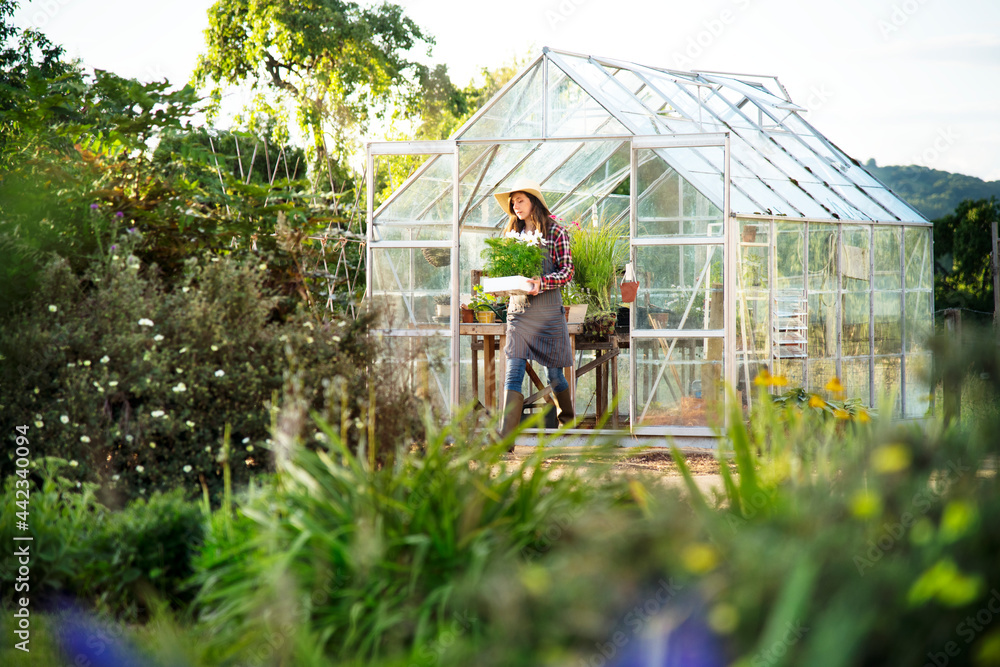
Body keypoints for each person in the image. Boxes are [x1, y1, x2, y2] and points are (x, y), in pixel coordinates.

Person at [492, 179, 576, 441]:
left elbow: (567, 271)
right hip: (519, 313)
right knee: (514, 369)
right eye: (513, 202)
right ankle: (505, 439)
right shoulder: (511, 235)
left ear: (533, 202)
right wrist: (500, 287)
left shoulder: (555, 232)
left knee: (554, 374)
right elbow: (505, 272)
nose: (515, 206)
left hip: (548, 314)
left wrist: (543, 282)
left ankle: (569, 422)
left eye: (520, 200)